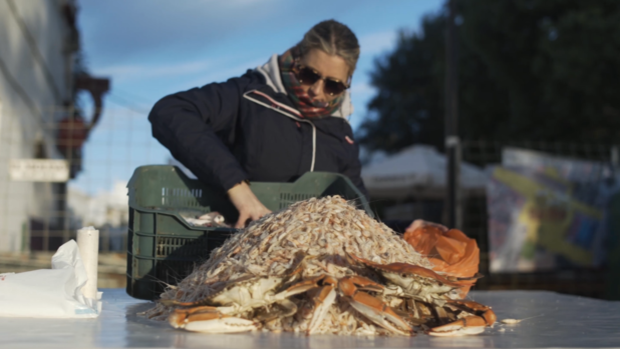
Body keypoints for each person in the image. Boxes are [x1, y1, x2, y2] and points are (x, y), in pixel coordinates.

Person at [149, 20, 366, 228]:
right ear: (297, 59)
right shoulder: (249, 96)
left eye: (333, 85)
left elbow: (359, 209)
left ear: (347, 82)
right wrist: (237, 187)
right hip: (234, 242)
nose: (316, 91)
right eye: (309, 75)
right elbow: (169, 111)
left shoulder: (342, 135)